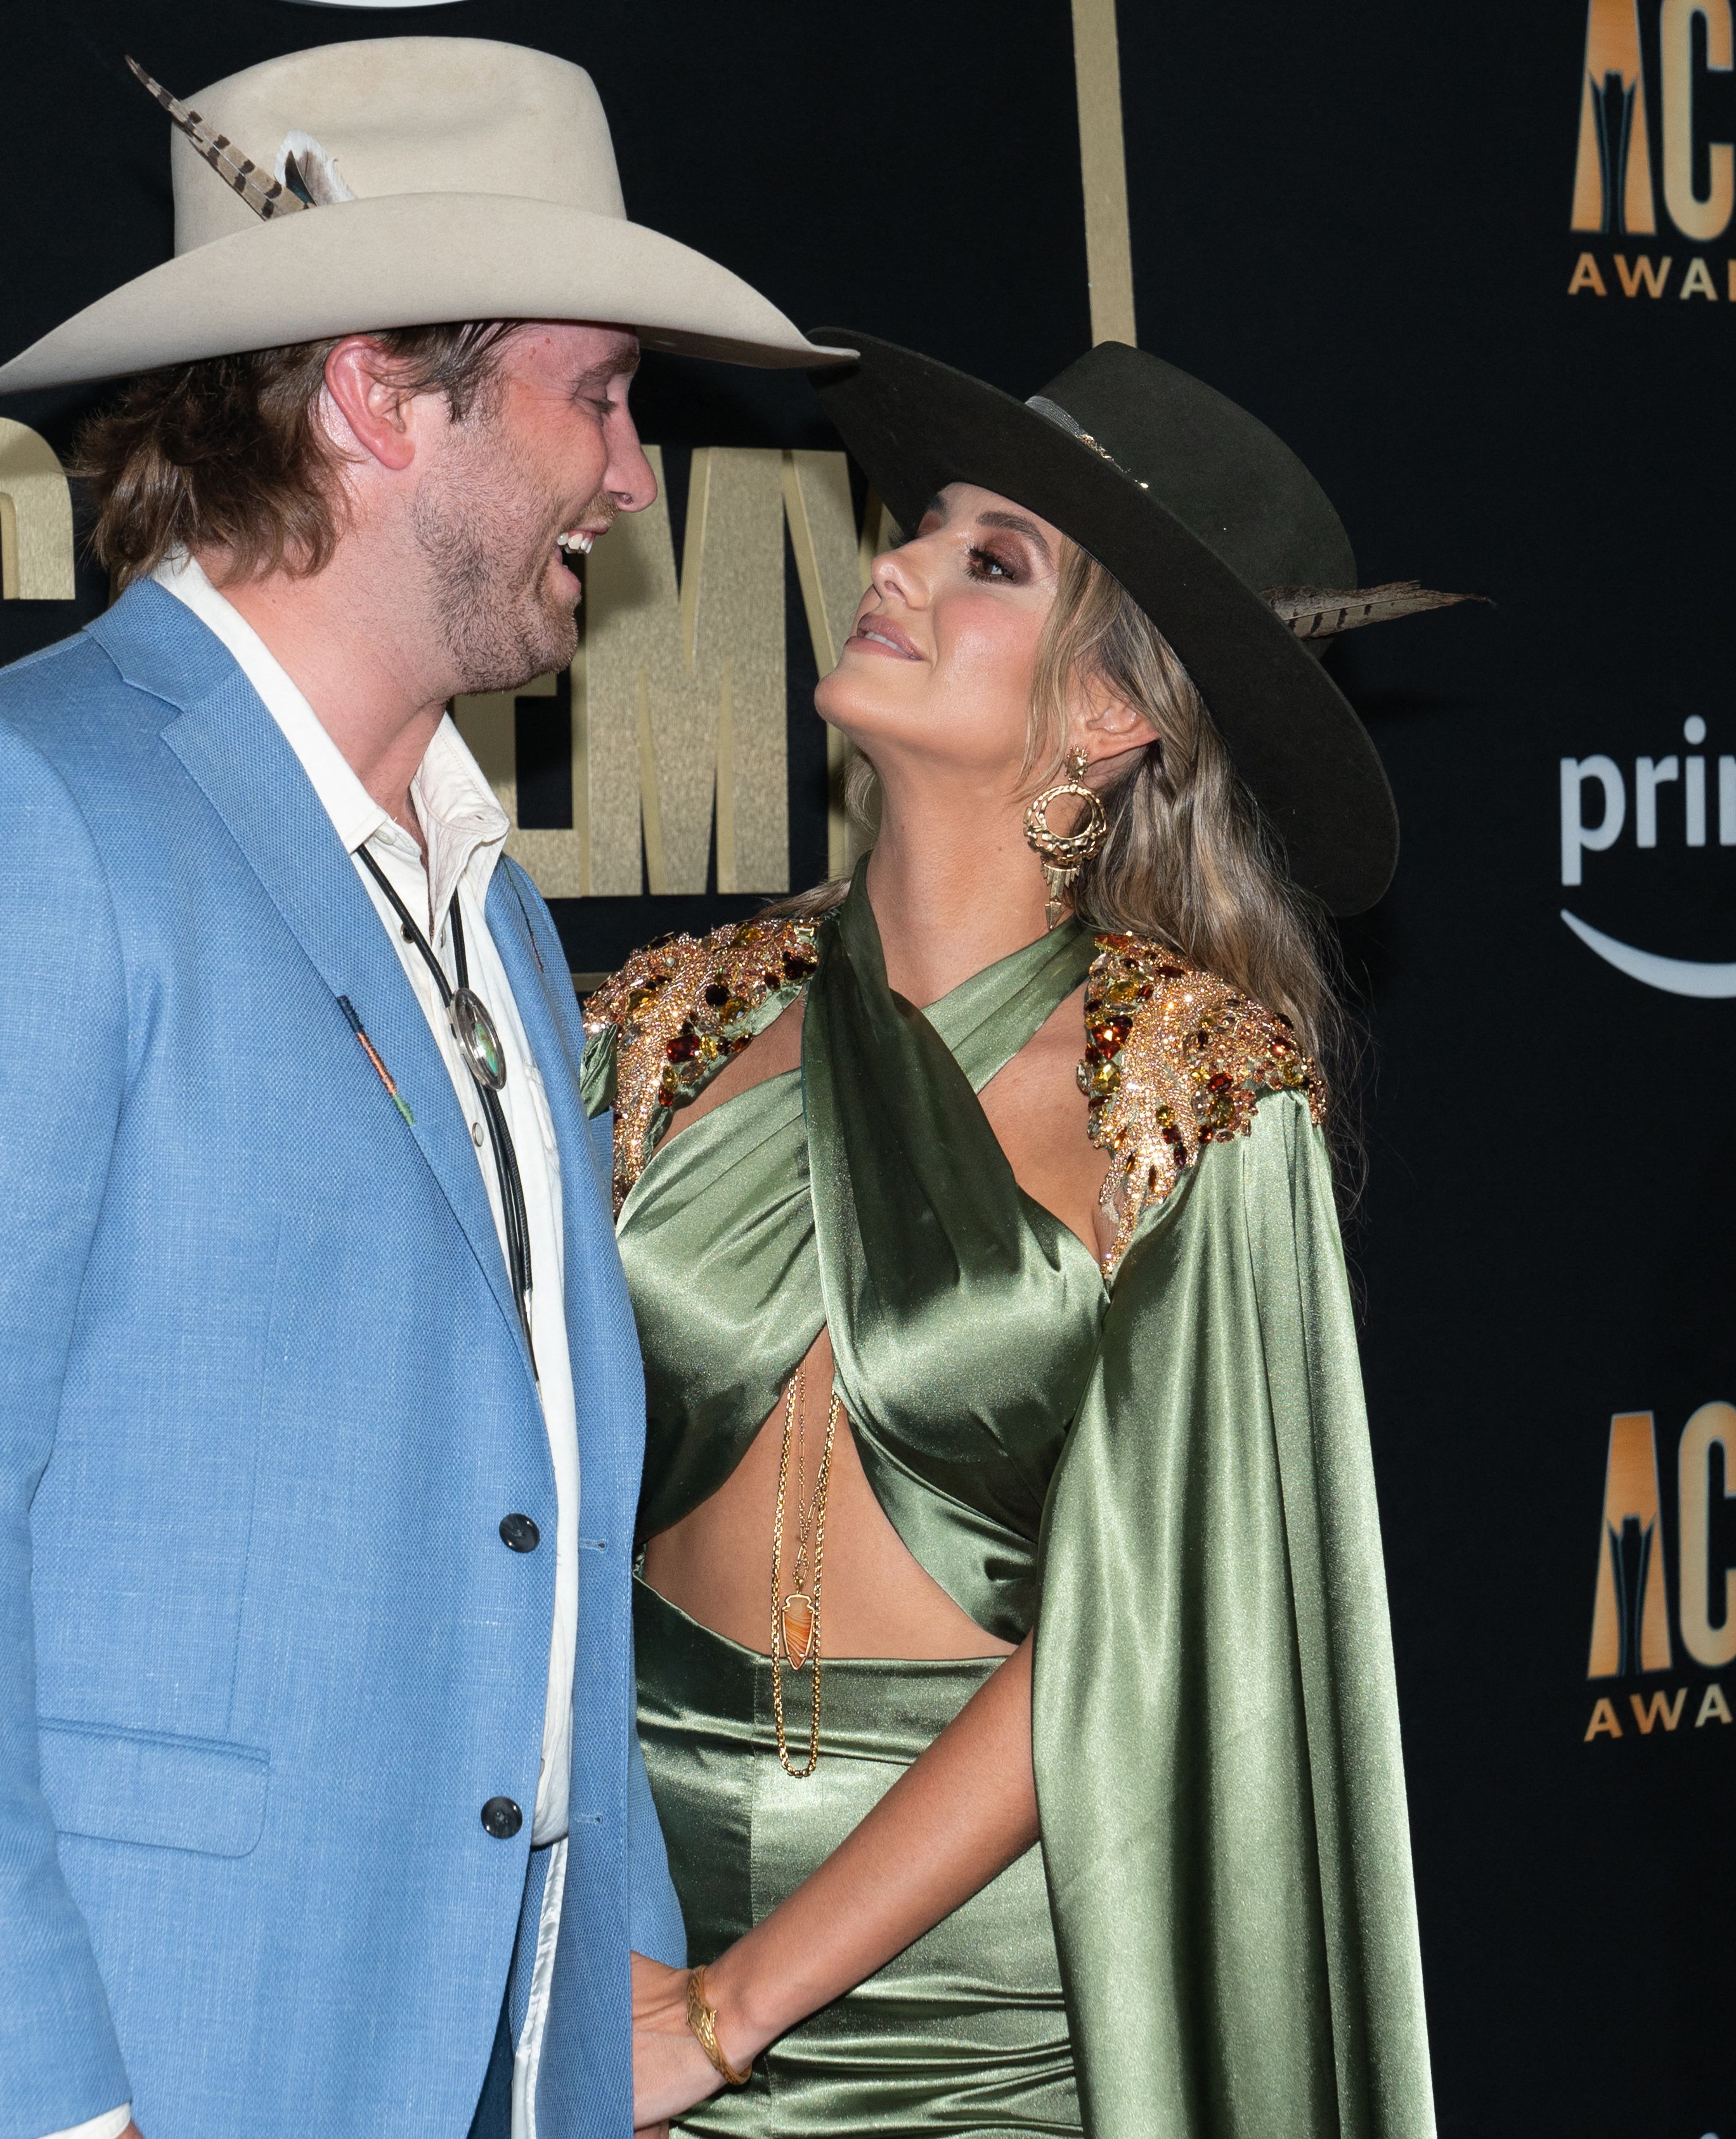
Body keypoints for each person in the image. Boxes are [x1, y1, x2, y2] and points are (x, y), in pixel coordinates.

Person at [0, 39, 845, 2139]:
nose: (634, 473)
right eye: (593, 393)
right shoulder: (5, 810)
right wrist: (33, 2113)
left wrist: (609, 2009)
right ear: (373, 393)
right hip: (127, 2067)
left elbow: (531, 1532)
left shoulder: (484, 901)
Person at [594, 331, 1465, 2138]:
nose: (893, 567)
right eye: (919, 527)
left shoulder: (1200, 1093)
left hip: (976, 2007)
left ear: (1113, 714)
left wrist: (731, 2011)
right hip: (614, 1928)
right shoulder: (665, 1023)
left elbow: (1136, 1631)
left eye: (990, 561)